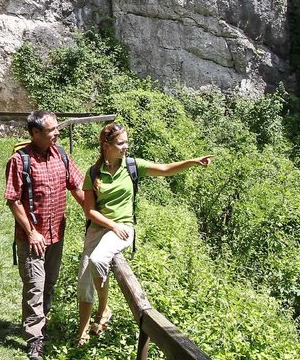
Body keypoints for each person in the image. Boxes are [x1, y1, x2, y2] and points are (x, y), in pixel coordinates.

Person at [75, 122, 212, 345]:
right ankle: (81, 331)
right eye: (121, 143)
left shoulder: (132, 166)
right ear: (106, 145)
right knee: (84, 280)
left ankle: (103, 310)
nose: (125, 147)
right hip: (101, 227)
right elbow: (89, 210)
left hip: (123, 228)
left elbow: (166, 169)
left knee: (99, 260)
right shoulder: (93, 172)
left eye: (127, 142)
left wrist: (192, 162)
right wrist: (110, 224)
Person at [5, 110, 85, 360]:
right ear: (35, 133)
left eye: (57, 128)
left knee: (49, 283)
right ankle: (34, 338)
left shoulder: (61, 155)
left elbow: (78, 187)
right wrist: (31, 233)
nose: (57, 133)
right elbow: (13, 200)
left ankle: (41, 322)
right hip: (34, 239)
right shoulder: (20, 161)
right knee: (34, 287)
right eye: (52, 130)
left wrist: (94, 215)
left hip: (57, 234)